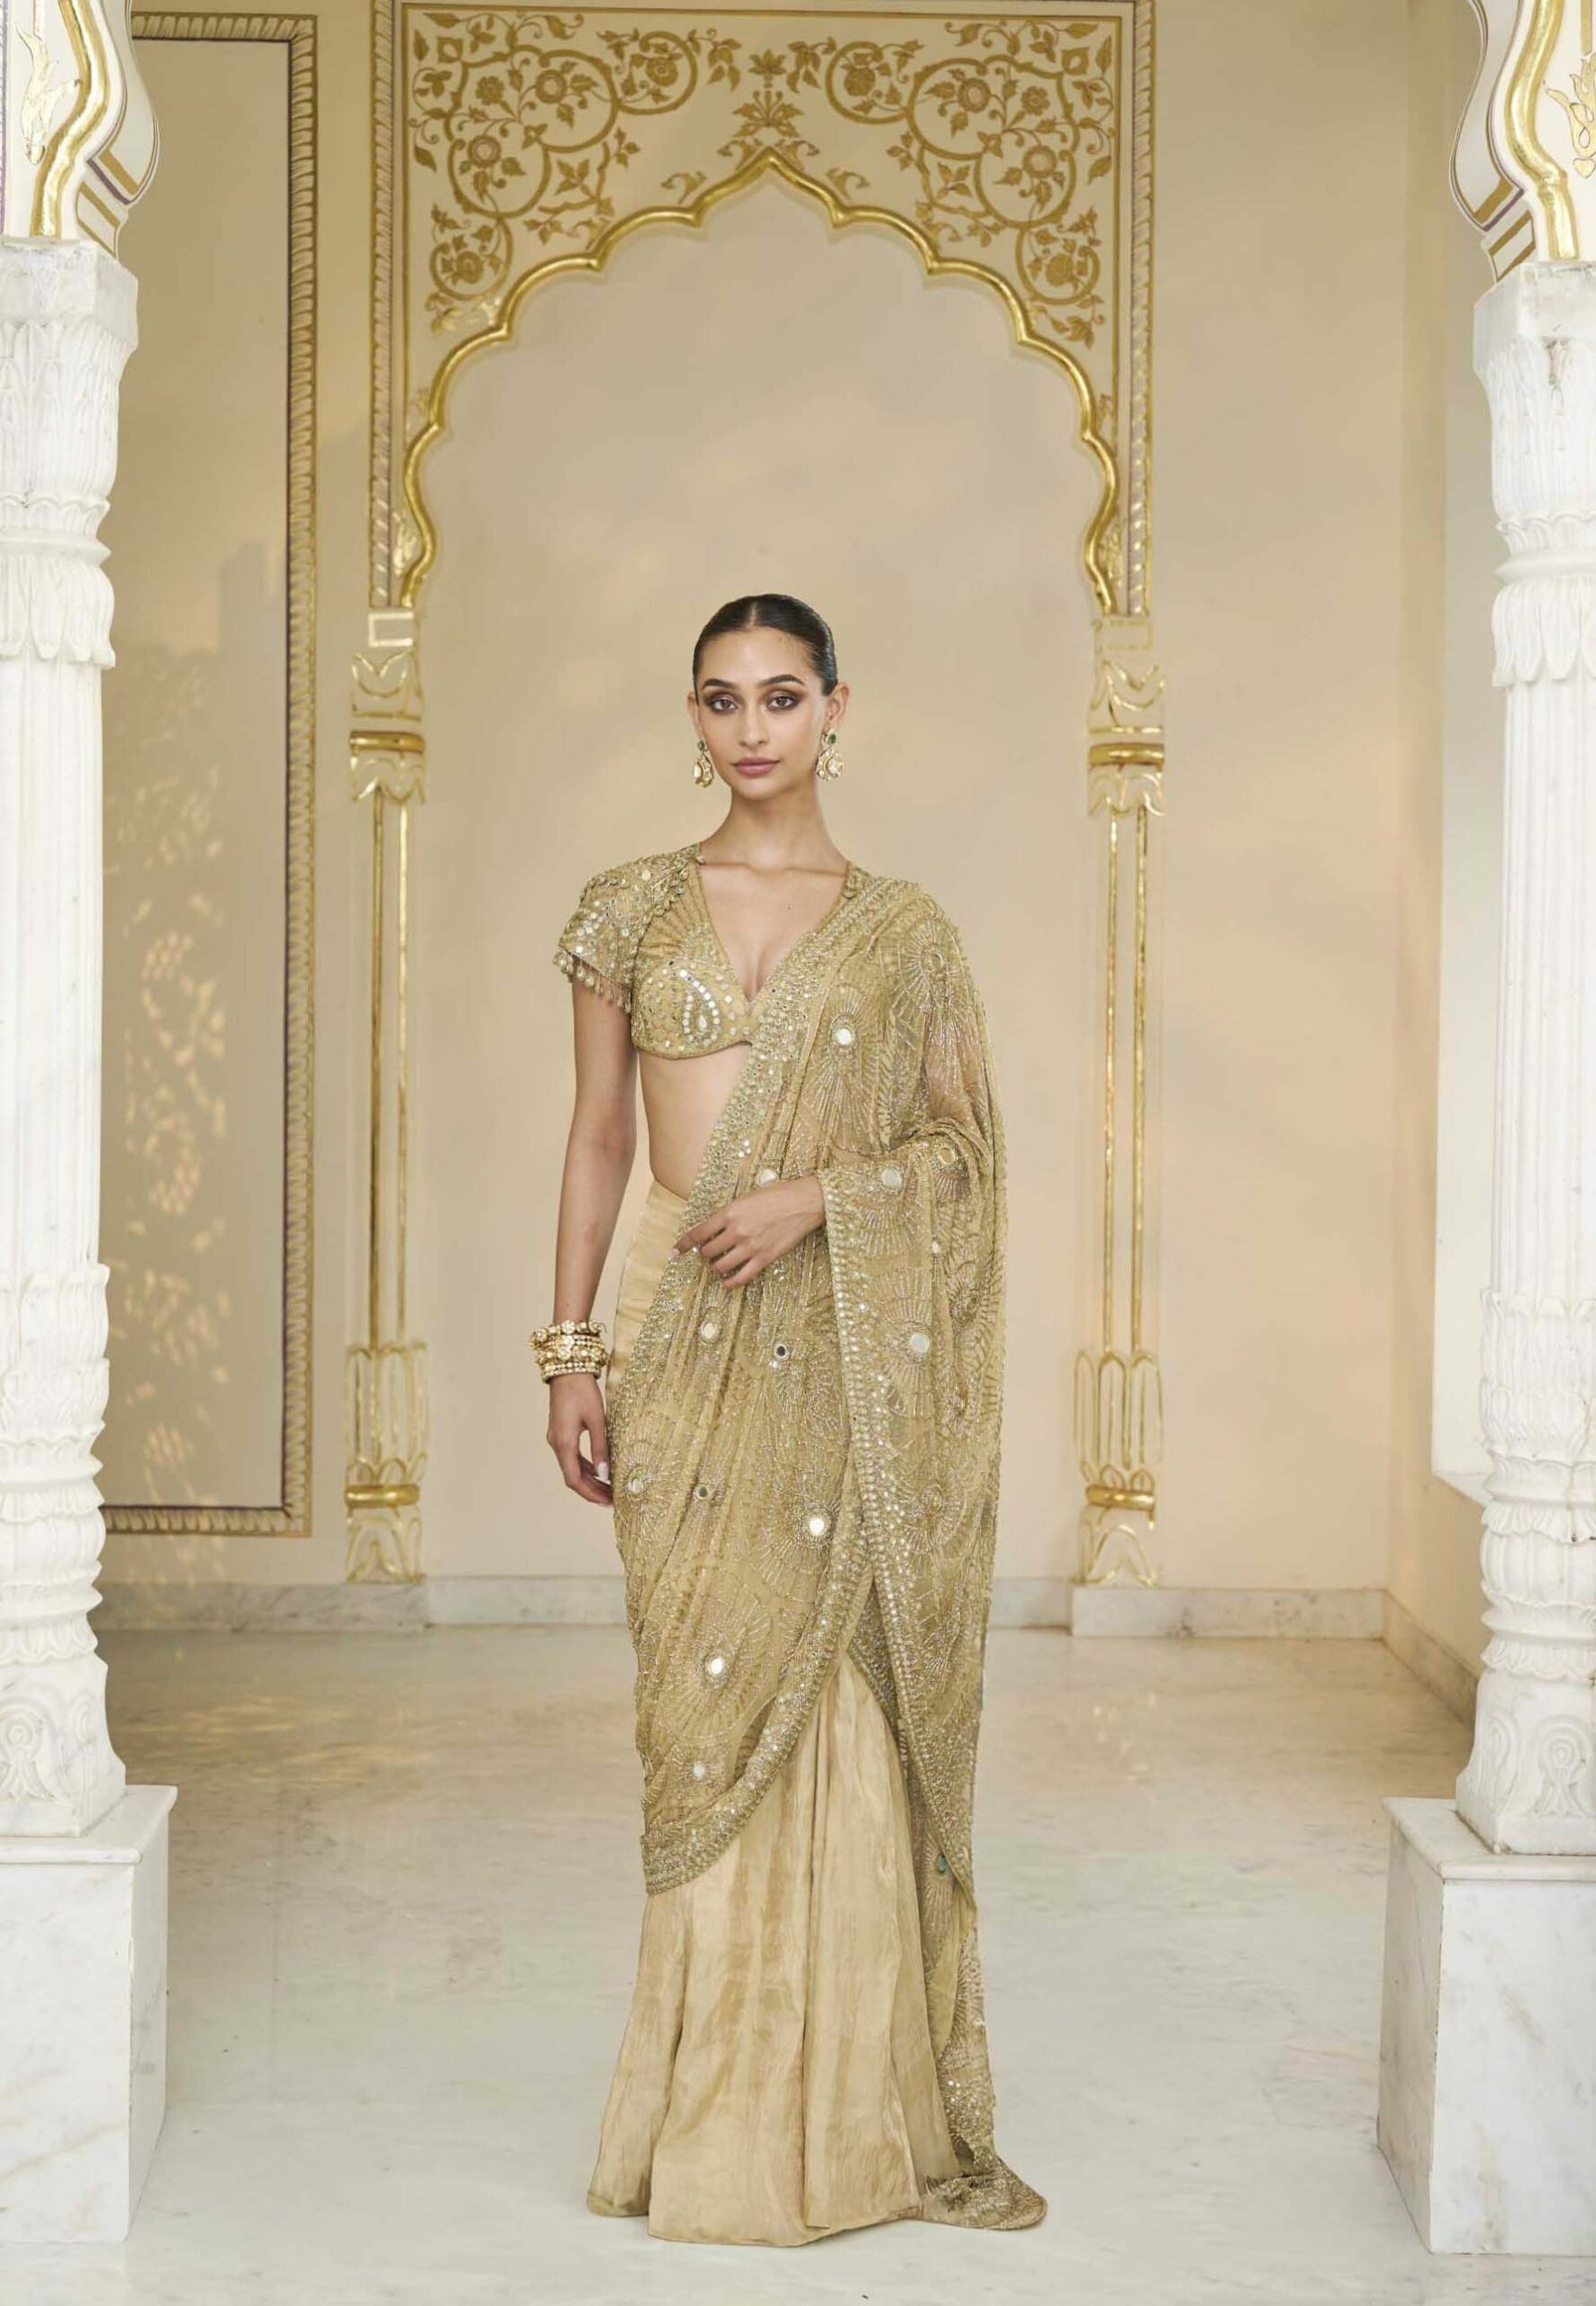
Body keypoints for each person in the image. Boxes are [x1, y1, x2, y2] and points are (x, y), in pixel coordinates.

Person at [533, 592, 1045, 2246]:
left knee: (832, 1692)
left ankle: (840, 2123)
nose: (749, 728)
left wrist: (821, 1195)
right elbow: (599, 1139)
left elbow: (965, 1158)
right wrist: (569, 1351)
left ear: (837, 709)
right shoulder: (627, 907)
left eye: (778, 695)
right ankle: (705, 2113)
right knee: (696, 1706)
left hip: (838, 1344)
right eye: (719, 699)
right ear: (691, 720)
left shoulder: (904, 935)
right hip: (677, 1329)